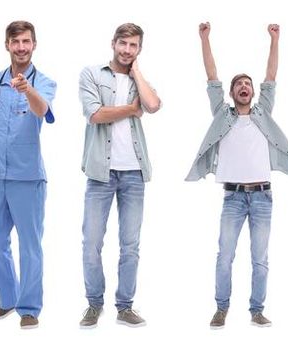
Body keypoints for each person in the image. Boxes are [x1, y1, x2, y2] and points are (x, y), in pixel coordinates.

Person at [190, 22, 288, 329]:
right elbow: (211, 75)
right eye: (239, 84)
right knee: (225, 256)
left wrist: (275, 40)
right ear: (231, 93)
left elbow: (271, 76)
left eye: (248, 84)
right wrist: (205, 39)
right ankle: (221, 308)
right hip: (233, 197)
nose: (244, 87)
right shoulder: (222, 115)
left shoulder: (262, 112)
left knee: (260, 259)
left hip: (263, 196)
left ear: (253, 93)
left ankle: (257, 310)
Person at [77, 22, 164, 329]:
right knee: (91, 242)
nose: (127, 50)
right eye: (123, 44)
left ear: (139, 50)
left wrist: (136, 72)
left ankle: (125, 306)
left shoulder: (138, 79)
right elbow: (95, 114)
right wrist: (130, 109)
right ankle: (94, 304)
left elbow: (152, 105)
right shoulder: (91, 73)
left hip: (134, 174)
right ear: (113, 43)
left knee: (130, 245)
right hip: (100, 172)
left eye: (134, 46)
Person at [0, 20, 56, 330]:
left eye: (26, 41)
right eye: (15, 41)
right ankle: (8, 299)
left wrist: (27, 89)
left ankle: (29, 307)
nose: (21, 47)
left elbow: (41, 110)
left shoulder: (43, 82)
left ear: (34, 45)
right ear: (6, 45)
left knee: (30, 245)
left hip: (27, 177)